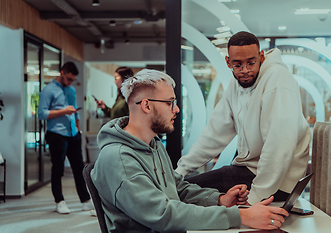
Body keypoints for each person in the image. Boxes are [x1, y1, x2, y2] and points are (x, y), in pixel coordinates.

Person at [91, 69, 288, 232]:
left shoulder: (154, 145)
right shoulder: (118, 159)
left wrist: (219, 199)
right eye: (170, 102)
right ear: (146, 105)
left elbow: (178, 189)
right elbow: (164, 214)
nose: (176, 110)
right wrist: (241, 215)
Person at [176, 31, 311, 205]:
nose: (245, 70)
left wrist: (254, 199)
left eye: (251, 63)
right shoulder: (237, 83)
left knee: (185, 192)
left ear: (261, 57)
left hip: (279, 183)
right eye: (238, 65)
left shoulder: (277, 79)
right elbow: (214, 133)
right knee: (184, 188)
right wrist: (180, 170)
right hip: (248, 171)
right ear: (228, 62)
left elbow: (280, 143)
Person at [38, 62, 94, 214]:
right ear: (62, 73)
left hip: (73, 134)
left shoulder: (71, 90)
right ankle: (59, 201)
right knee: (58, 168)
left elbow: (75, 111)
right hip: (56, 134)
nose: (70, 82)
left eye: (73, 80)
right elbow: (41, 113)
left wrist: (79, 130)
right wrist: (63, 111)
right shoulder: (48, 90)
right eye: (69, 79)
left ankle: (86, 201)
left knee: (79, 168)